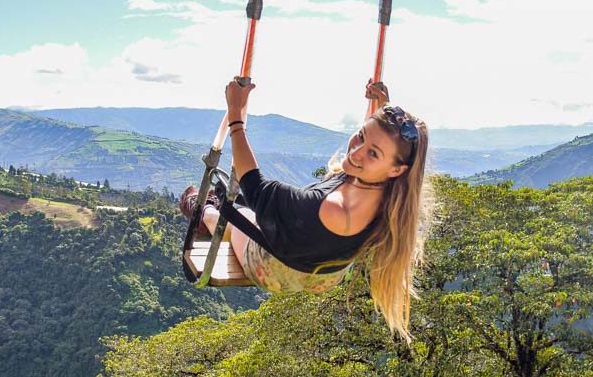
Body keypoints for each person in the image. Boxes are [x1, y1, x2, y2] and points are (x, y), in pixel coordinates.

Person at [179, 77, 431, 341]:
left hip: (275, 269)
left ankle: (205, 209)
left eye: (373, 154)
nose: (356, 152)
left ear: (396, 169)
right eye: (361, 135)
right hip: (328, 274)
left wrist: (236, 117)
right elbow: (377, 149)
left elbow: (254, 186)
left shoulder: (330, 209)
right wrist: (382, 107)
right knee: (271, 209)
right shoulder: (395, 199)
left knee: (234, 216)